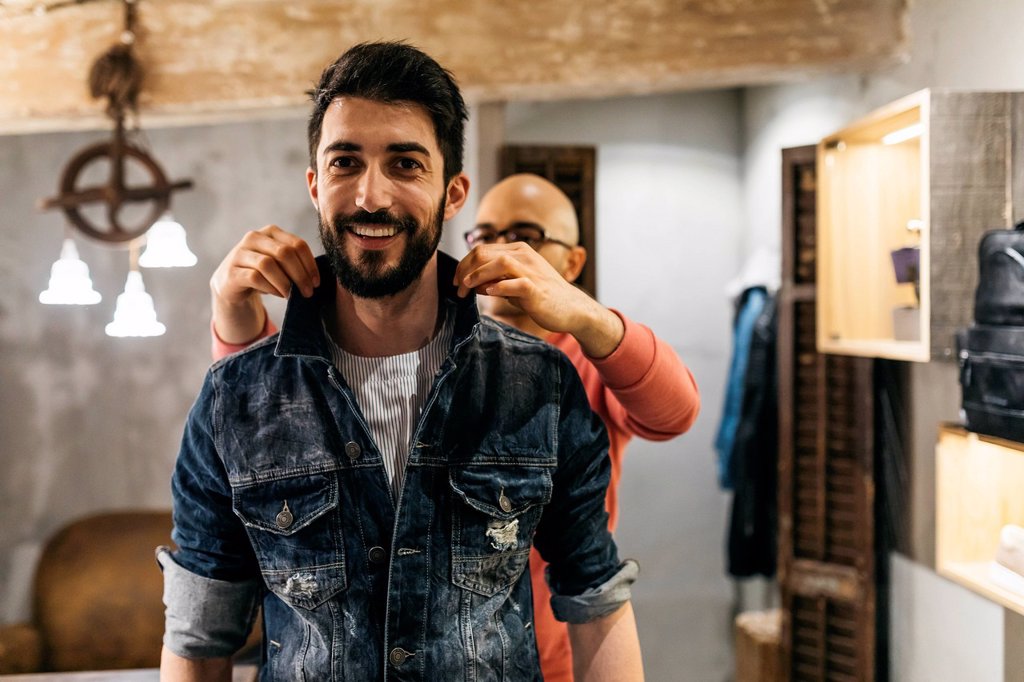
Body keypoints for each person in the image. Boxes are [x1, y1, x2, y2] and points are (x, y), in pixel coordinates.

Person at [160, 41, 643, 682]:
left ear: (452, 193)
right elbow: (200, 634)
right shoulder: (234, 399)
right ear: (314, 184)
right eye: (345, 162)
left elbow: (597, 599)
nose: (370, 195)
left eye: (406, 164)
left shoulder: (539, 384)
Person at [208, 172, 700, 681]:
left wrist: (585, 316)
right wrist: (231, 310)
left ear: (573, 261)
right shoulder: (433, 359)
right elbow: (262, 421)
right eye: (484, 234)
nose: (501, 250)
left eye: (526, 235)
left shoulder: (581, 365)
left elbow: (674, 413)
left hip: (560, 657)